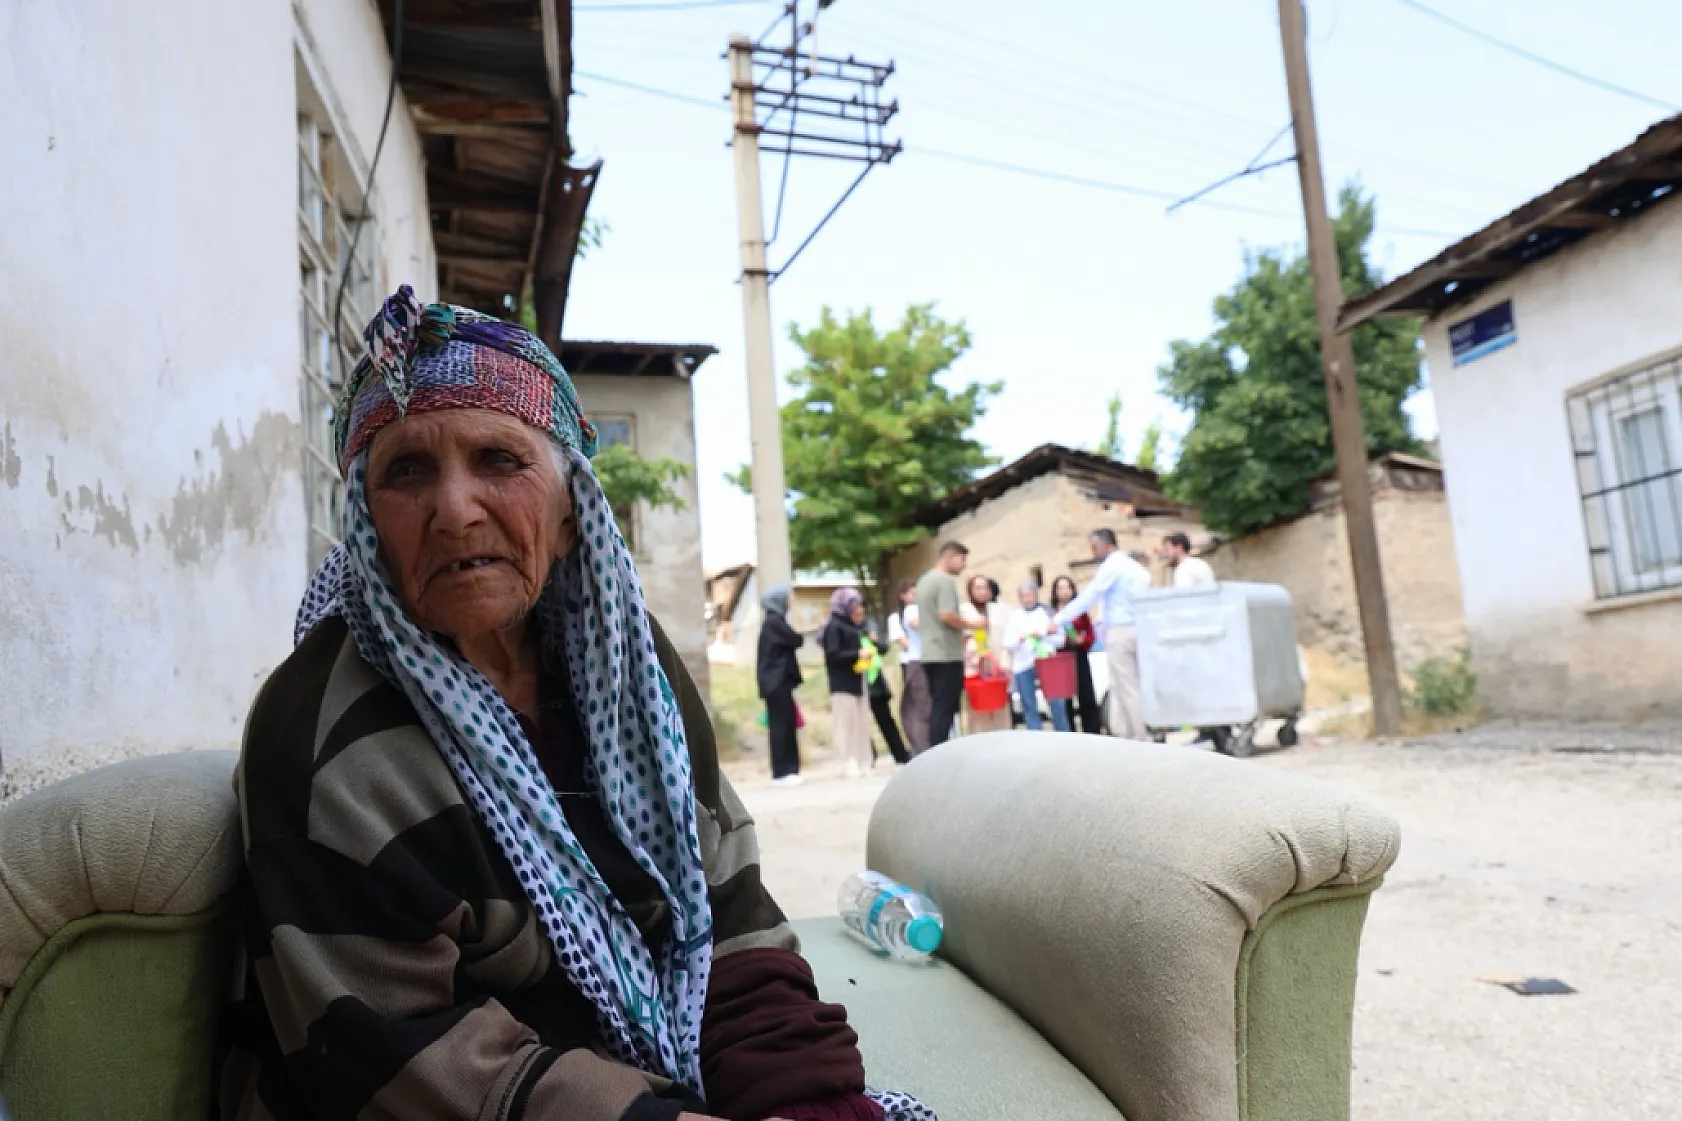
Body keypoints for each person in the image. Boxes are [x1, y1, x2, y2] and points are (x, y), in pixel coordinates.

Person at [222, 287, 932, 1121]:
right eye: (406, 471)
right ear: (368, 520)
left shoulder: (634, 675)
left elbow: (727, 910)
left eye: (499, 459)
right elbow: (404, 1060)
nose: (454, 510)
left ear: (568, 513)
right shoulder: (323, 736)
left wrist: (804, 1098)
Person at [1051, 528, 1153, 741]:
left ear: (1107, 545)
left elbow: (1091, 595)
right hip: (1139, 628)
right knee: (1125, 685)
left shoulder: (1112, 566)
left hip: (1120, 631)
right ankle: (1126, 731)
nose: (1093, 552)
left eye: (1095, 547)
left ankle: (1139, 735)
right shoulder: (1136, 568)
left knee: (1127, 686)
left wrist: (1058, 620)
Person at [915, 541, 974, 748]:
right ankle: (938, 750)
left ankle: (938, 748)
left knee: (938, 706)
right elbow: (946, 615)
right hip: (946, 652)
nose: (964, 565)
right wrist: (971, 625)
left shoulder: (924, 580)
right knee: (945, 708)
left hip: (930, 652)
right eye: (962, 559)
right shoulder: (945, 581)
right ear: (950, 556)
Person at [821, 587, 875, 779]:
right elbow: (833, 654)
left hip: (858, 680)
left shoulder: (855, 627)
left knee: (860, 724)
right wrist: (857, 654)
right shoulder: (833, 627)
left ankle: (863, 761)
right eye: (853, 604)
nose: (857, 608)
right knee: (845, 725)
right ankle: (846, 762)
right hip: (842, 683)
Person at [1003, 580, 1070, 732]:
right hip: (1023, 664)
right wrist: (1020, 640)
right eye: (1023, 596)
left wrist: (1042, 635)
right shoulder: (1015, 616)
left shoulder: (1047, 612)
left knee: (1056, 702)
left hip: (1047, 662)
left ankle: (1063, 735)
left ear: (1036, 594)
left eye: (1029, 595)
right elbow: (1007, 642)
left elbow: (1060, 640)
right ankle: (1035, 737)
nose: (1027, 599)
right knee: (1028, 704)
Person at [757, 582, 805, 786]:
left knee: (787, 724)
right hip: (775, 681)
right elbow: (796, 640)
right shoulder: (773, 622)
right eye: (787, 598)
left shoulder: (775, 621)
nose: (790, 602)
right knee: (780, 726)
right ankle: (781, 772)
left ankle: (791, 769)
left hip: (779, 681)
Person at [1049, 575, 1101, 734]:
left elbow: (1091, 635)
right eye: (1060, 588)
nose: (1064, 591)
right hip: (1058, 656)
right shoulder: (1050, 612)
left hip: (1078, 654)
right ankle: (1068, 732)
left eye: (1067, 587)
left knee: (1086, 696)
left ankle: (1092, 731)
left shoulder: (1080, 611)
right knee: (1064, 699)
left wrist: (1081, 640)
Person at [960, 574, 1011, 734]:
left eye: (985, 588)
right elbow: (961, 637)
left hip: (997, 664)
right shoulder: (964, 610)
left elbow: (1005, 636)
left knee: (1000, 706)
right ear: (970, 590)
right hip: (974, 666)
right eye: (978, 588)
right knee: (978, 709)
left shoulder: (999, 610)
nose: (982, 592)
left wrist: (1003, 661)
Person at [887, 579, 931, 756]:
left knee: (925, 705)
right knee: (918, 706)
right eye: (912, 593)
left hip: (924, 659)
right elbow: (903, 642)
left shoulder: (921, 610)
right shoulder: (902, 615)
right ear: (902, 596)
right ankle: (920, 746)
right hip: (913, 660)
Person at [864, 619, 911, 766]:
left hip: (875, 682)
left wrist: (873, 640)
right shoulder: (843, 628)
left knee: (886, 719)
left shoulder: (869, 625)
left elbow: (884, 648)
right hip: (855, 682)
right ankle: (868, 756)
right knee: (860, 723)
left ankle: (900, 753)